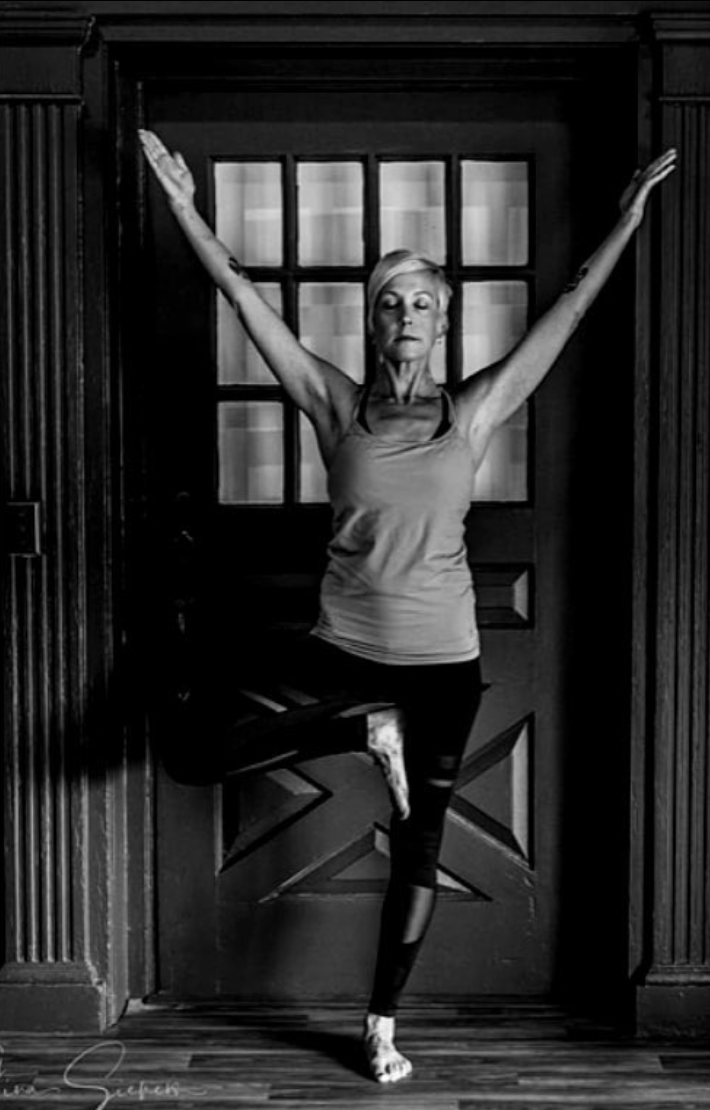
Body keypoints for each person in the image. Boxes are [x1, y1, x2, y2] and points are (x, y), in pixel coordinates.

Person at [138, 129, 675, 1083]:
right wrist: (182, 205)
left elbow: (568, 311)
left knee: (420, 842)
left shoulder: (472, 414)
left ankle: (381, 1024)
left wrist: (627, 219)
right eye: (392, 301)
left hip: (444, 662)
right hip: (341, 650)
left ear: (444, 321)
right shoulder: (335, 405)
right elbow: (245, 298)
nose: (407, 314)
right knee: (190, 753)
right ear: (373, 321)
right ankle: (366, 728)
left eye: (424, 302)